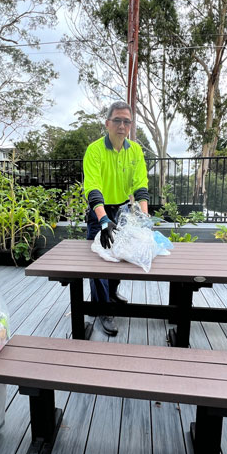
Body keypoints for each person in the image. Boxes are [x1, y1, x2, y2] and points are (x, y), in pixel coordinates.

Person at [83, 101, 149, 336]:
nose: (122, 125)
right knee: (100, 262)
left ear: (130, 126)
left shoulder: (135, 151)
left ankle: (110, 294)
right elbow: (93, 187)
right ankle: (103, 310)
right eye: (118, 120)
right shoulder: (95, 150)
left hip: (121, 210)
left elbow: (140, 184)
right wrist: (102, 220)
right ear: (107, 123)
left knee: (120, 255)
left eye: (127, 121)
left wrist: (144, 214)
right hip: (99, 211)